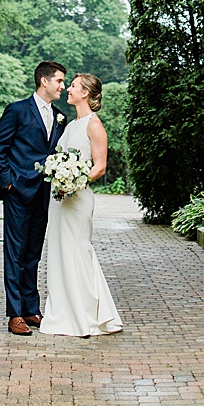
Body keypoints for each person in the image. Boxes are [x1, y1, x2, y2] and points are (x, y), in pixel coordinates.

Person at [39, 73, 123, 337]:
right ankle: (63, 313)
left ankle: (87, 315)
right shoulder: (70, 125)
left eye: (73, 86)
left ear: (85, 92)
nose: (68, 89)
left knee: (78, 252)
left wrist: (74, 181)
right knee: (60, 253)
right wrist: (57, 176)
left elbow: (100, 166)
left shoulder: (93, 125)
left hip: (78, 199)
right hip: (59, 200)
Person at [0, 60, 66, 336]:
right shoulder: (17, 110)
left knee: (33, 253)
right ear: (44, 81)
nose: (62, 86)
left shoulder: (60, 117)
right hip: (18, 193)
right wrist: (8, 183)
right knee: (15, 253)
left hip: (44, 194)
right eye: (59, 81)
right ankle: (15, 314)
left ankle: (32, 309)